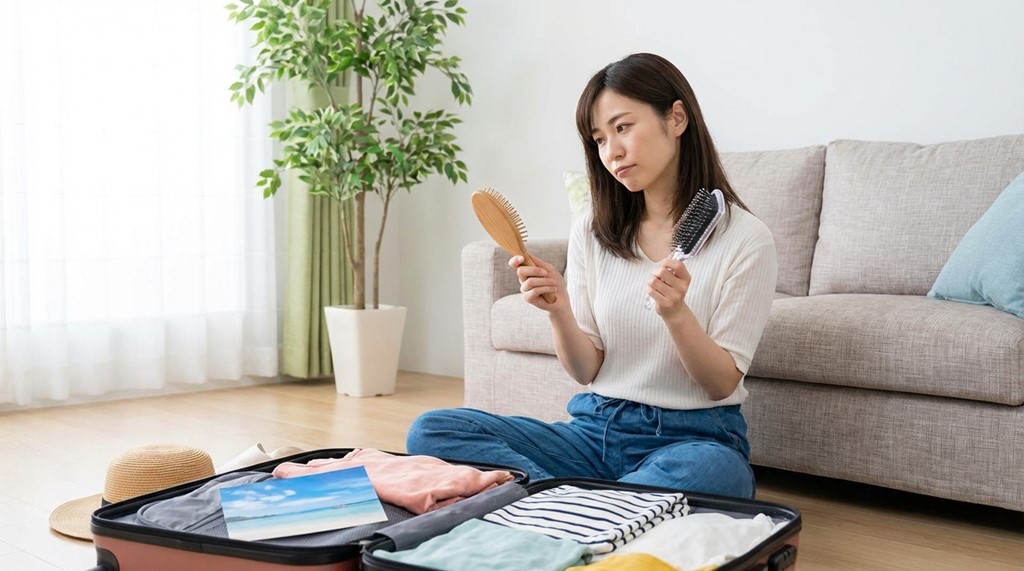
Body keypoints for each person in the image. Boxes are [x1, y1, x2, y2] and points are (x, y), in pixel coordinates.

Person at [406, 53, 777, 498]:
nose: (611, 152)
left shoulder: (747, 238)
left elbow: (720, 384)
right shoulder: (592, 230)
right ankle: (594, 505)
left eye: (623, 127)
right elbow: (586, 370)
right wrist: (559, 311)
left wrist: (677, 314)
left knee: (718, 472)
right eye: (599, 139)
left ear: (676, 118)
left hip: (692, 439)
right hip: (595, 433)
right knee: (432, 429)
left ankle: (556, 501)